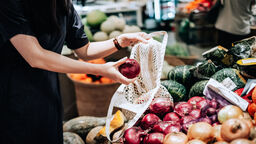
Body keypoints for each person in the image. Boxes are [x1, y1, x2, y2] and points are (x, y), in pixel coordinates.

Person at [0, 0, 150, 144]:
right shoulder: (11, 3)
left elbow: (84, 50)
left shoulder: (63, 4)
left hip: (47, 96)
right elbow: (36, 57)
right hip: (13, 98)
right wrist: (101, 70)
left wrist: (118, 42)